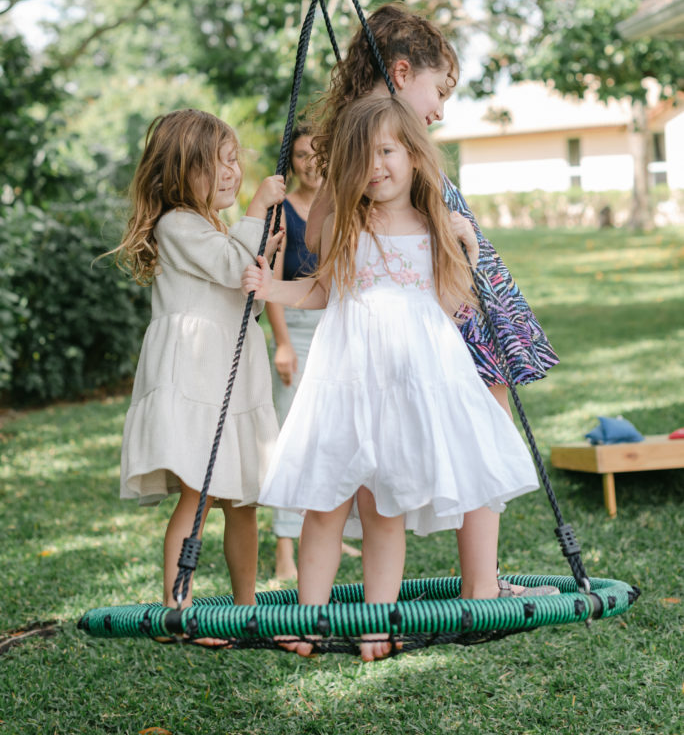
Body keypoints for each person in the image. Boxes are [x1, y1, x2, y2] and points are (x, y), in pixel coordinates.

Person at [243, 94, 557, 662]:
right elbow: (322, 289)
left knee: (384, 506)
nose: (376, 166)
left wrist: (466, 248)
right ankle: (309, 621)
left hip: (412, 378)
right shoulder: (346, 220)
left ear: (414, 155)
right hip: (345, 376)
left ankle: (377, 624)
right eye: (363, 157)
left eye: (388, 151)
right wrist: (271, 291)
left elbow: (450, 301)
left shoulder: (434, 223)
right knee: (325, 502)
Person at [306, 3, 559, 597]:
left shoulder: (370, 135)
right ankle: (481, 584)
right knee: (481, 426)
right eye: (438, 89)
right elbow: (327, 227)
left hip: (447, 286)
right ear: (400, 74)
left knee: (483, 424)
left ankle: (483, 578)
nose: (442, 109)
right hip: (437, 301)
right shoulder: (377, 143)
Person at [115, 108, 285, 638]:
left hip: (232, 375)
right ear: (181, 173)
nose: (234, 172)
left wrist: (265, 257)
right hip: (197, 376)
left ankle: (246, 605)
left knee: (243, 500)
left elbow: (246, 302)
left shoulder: (214, 227)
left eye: (236, 160)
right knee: (201, 492)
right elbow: (234, 267)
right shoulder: (178, 224)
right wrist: (257, 211)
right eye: (220, 163)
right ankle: (177, 608)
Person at [265, 124, 360, 580]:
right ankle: (286, 546)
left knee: (334, 434)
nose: (309, 163)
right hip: (298, 325)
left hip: (339, 323)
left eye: (317, 154)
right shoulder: (281, 211)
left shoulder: (344, 201)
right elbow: (274, 283)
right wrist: (282, 343)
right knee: (292, 437)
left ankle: (328, 530)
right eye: (301, 155)